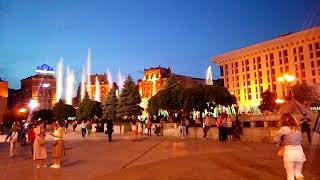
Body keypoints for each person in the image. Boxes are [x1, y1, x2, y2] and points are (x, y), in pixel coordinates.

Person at [274, 113, 306, 180]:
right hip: (299, 151)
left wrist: (278, 144)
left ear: (282, 121)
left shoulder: (283, 129)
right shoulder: (298, 128)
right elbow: (301, 141)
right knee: (298, 173)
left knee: (290, 175)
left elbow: (276, 139)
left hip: (289, 152)